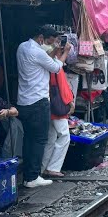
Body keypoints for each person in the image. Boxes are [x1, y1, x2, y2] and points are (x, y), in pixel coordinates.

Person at [16, 25, 71, 188]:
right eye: (50, 42)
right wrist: (65, 52)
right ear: (41, 38)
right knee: (40, 140)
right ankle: (32, 177)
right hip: (38, 101)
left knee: (29, 140)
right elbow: (55, 67)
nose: (52, 45)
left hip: (23, 101)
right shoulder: (37, 52)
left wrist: (53, 50)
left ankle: (28, 175)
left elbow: (47, 60)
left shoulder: (22, 47)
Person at [41, 44, 75, 178]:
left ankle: (43, 167)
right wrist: (69, 102)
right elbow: (61, 86)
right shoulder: (53, 65)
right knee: (64, 136)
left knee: (51, 137)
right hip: (58, 106)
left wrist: (64, 52)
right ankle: (53, 167)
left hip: (50, 105)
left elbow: (59, 63)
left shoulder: (49, 64)